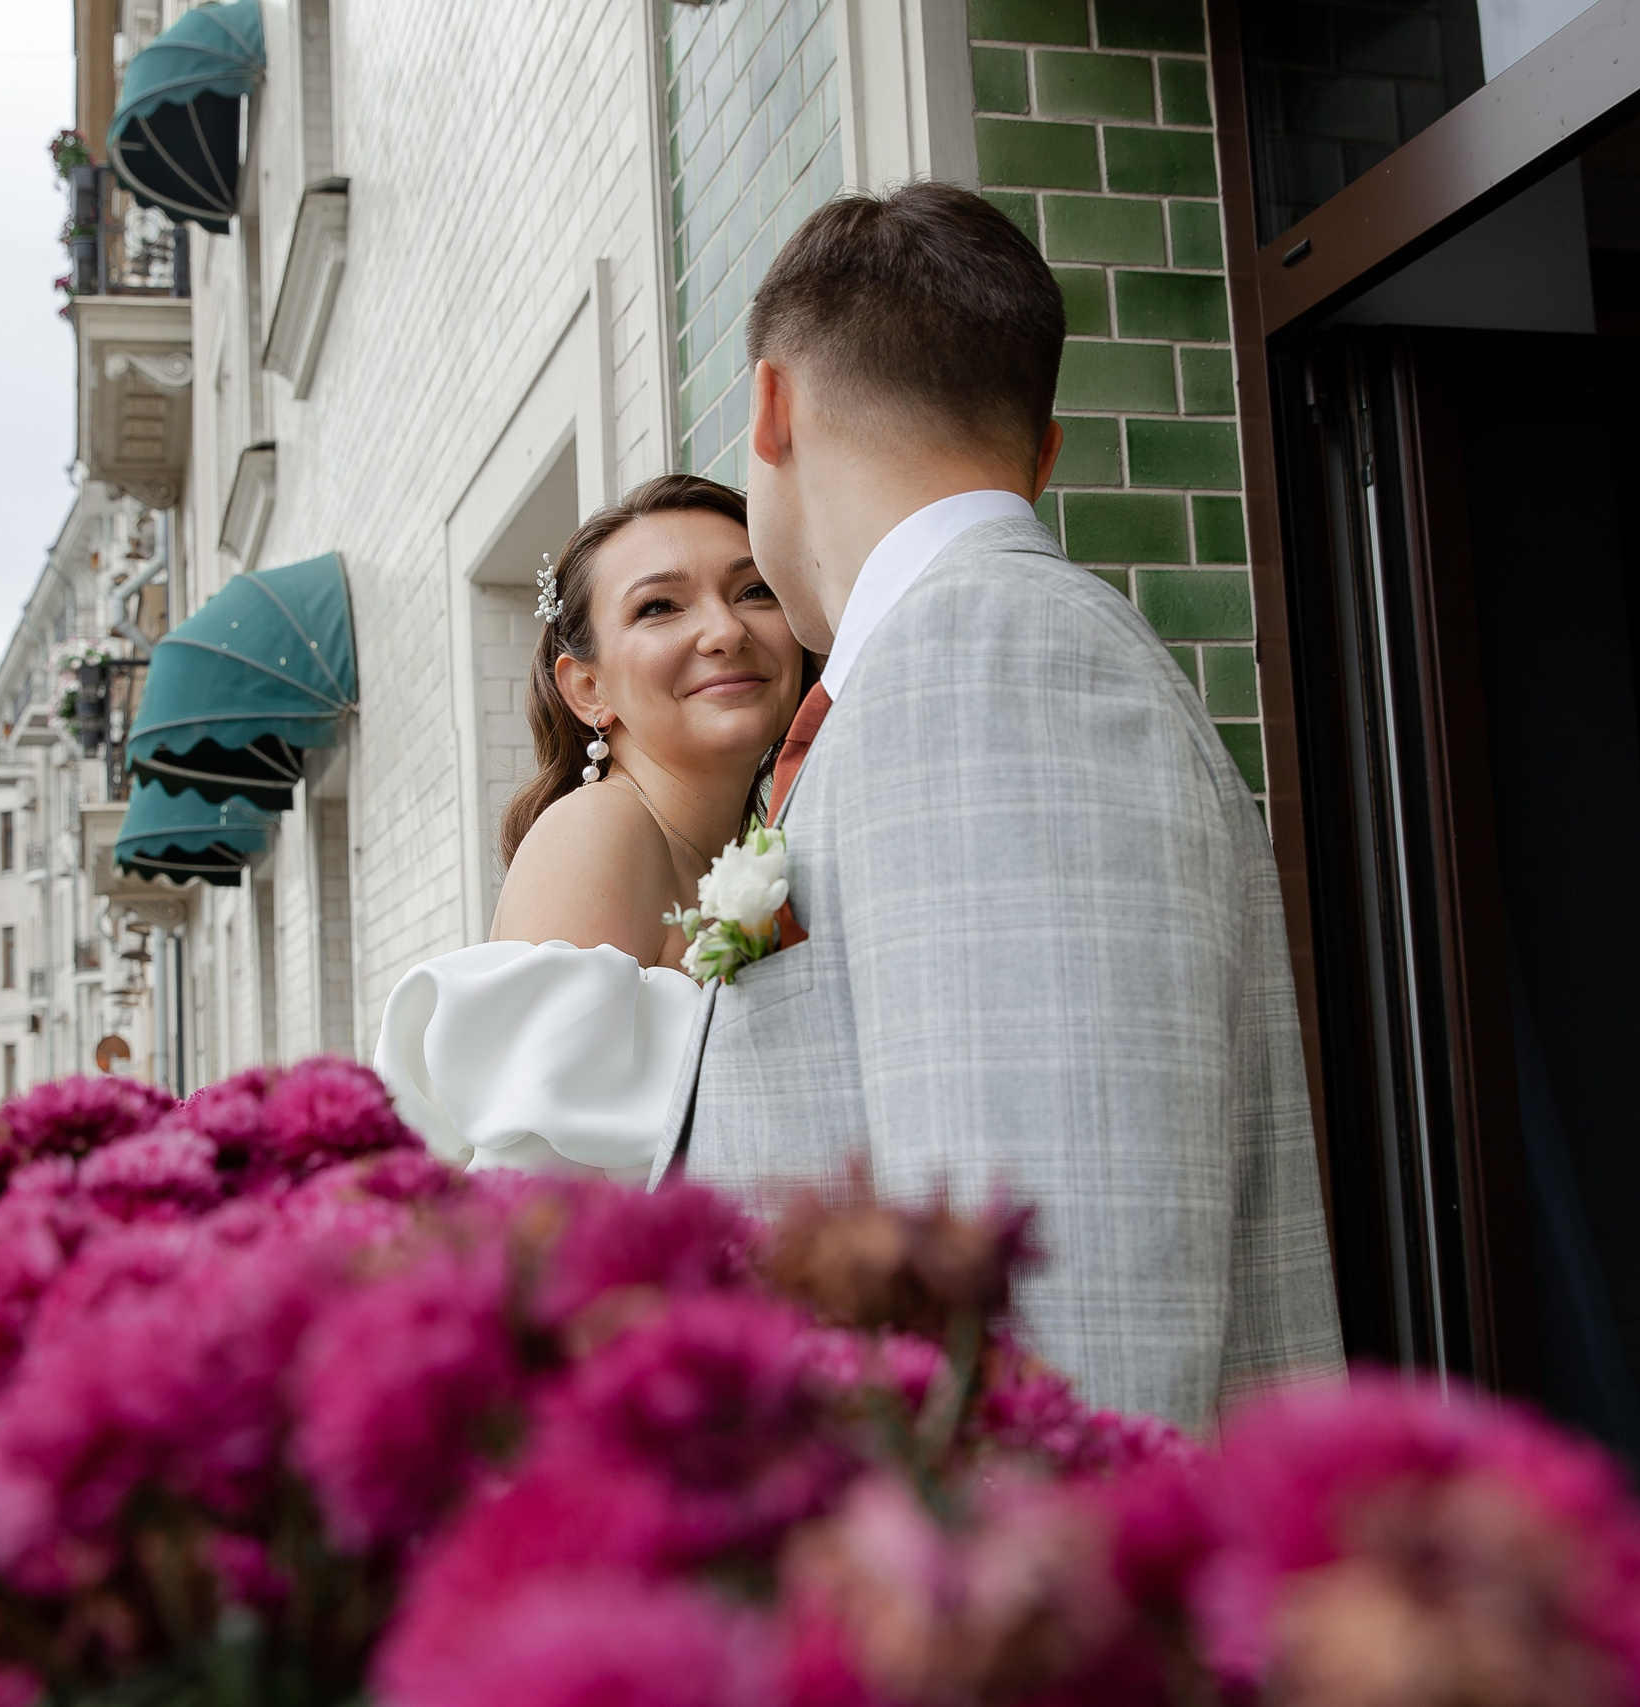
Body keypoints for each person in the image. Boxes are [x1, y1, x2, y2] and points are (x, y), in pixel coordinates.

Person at [654, 183, 1343, 1432]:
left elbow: (1070, 1309)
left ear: (769, 405)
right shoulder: (955, 652)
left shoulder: (993, 652)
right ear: (1046, 447)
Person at [375, 476, 807, 1181]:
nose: (727, 630)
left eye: (754, 590)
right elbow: (538, 1172)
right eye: (660, 606)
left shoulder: (752, 846)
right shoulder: (600, 830)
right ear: (589, 689)